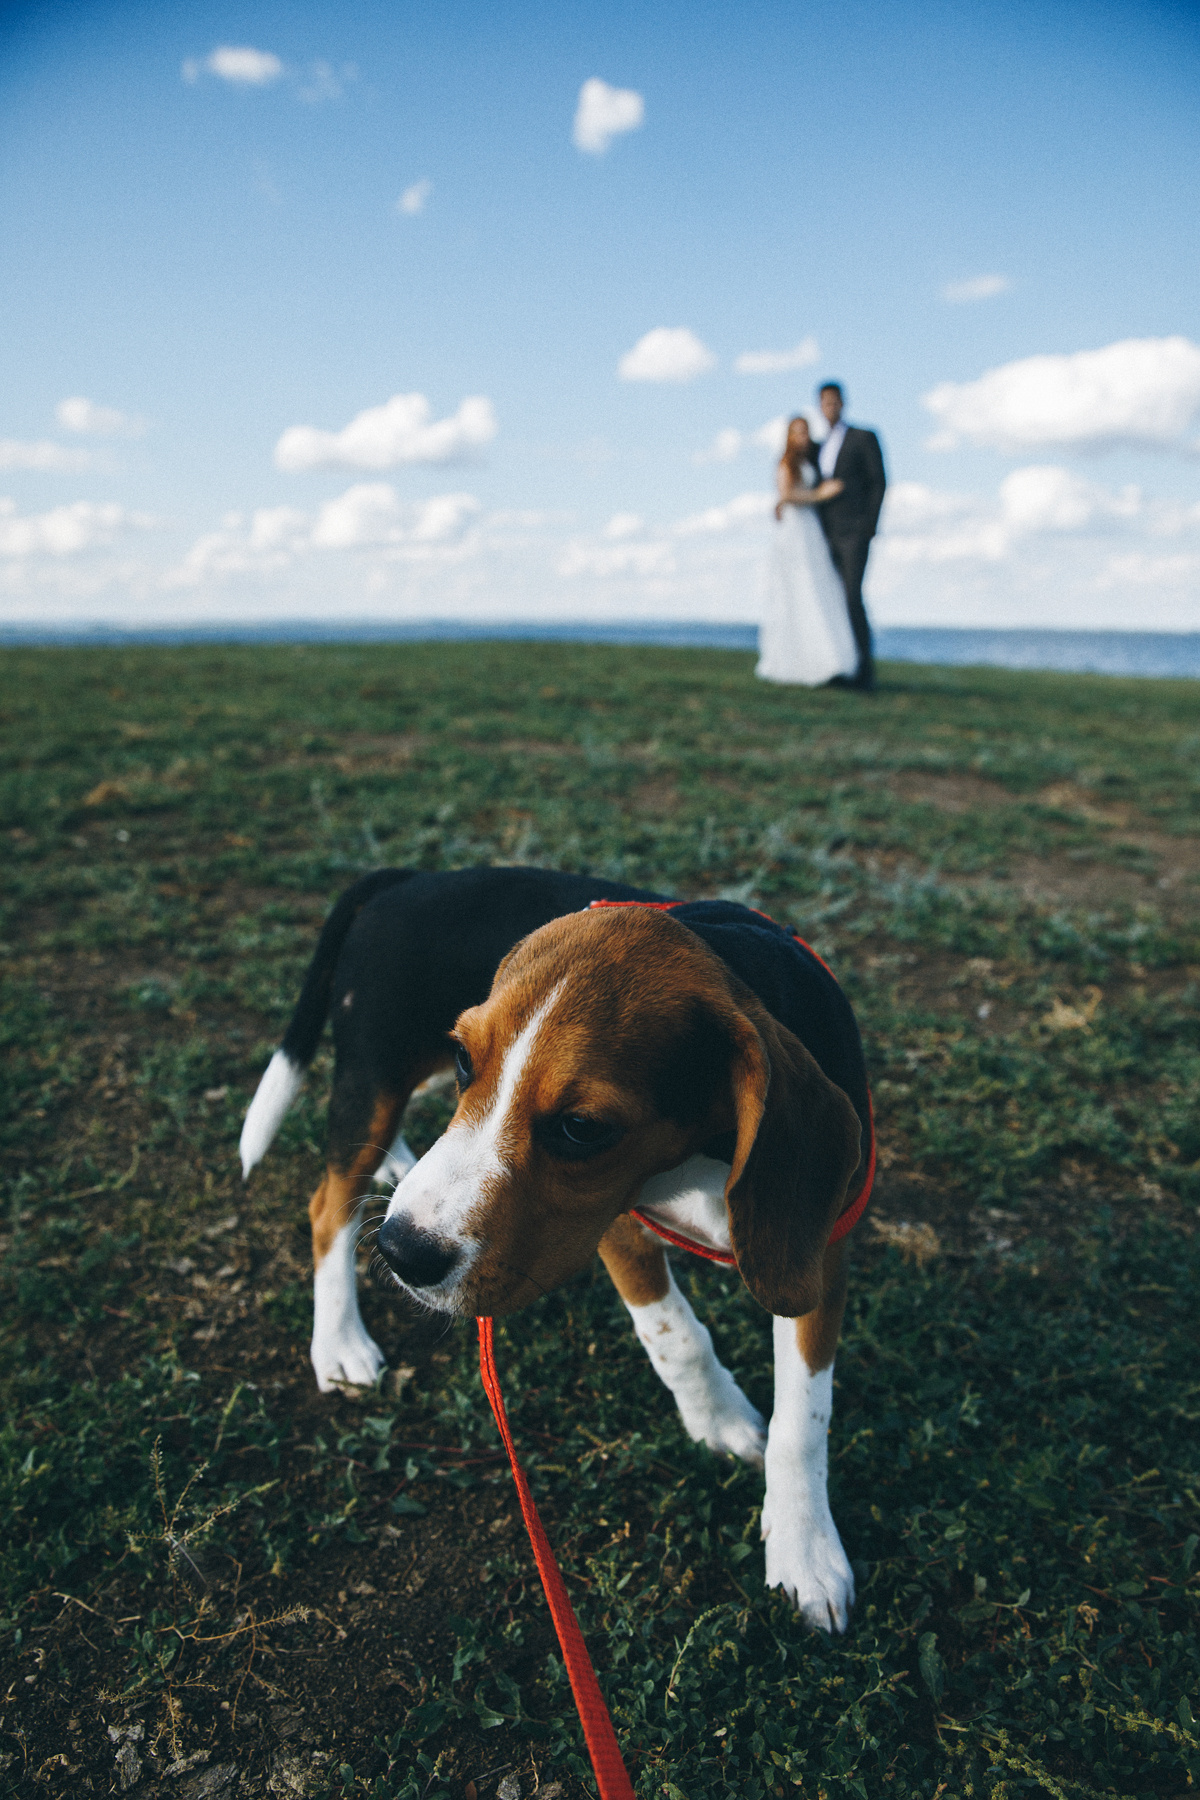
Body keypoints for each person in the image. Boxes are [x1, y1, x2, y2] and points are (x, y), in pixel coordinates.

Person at [756, 415, 858, 688]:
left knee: (820, 589)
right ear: (789, 436)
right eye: (797, 432)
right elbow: (786, 494)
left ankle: (830, 659)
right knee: (799, 590)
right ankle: (802, 662)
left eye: (806, 432)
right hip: (795, 530)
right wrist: (819, 495)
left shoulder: (811, 460)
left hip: (811, 530)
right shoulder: (785, 462)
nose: (802, 437)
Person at [809, 383, 887, 692]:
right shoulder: (818, 446)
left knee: (852, 597)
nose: (829, 407)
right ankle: (838, 664)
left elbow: (878, 482)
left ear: (842, 403)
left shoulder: (862, 437)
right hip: (824, 534)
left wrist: (868, 526)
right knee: (831, 600)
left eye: (833, 401)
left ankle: (863, 670)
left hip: (854, 532)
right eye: (824, 403)